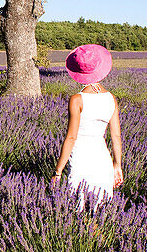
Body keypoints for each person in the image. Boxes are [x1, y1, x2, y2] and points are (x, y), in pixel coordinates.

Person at [50, 43, 123, 210]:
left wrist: (58, 171)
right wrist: (117, 166)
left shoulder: (77, 99)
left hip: (81, 159)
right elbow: (116, 136)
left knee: (77, 207)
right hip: (102, 159)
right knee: (100, 210)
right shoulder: (111, 98)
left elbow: (71, 137)